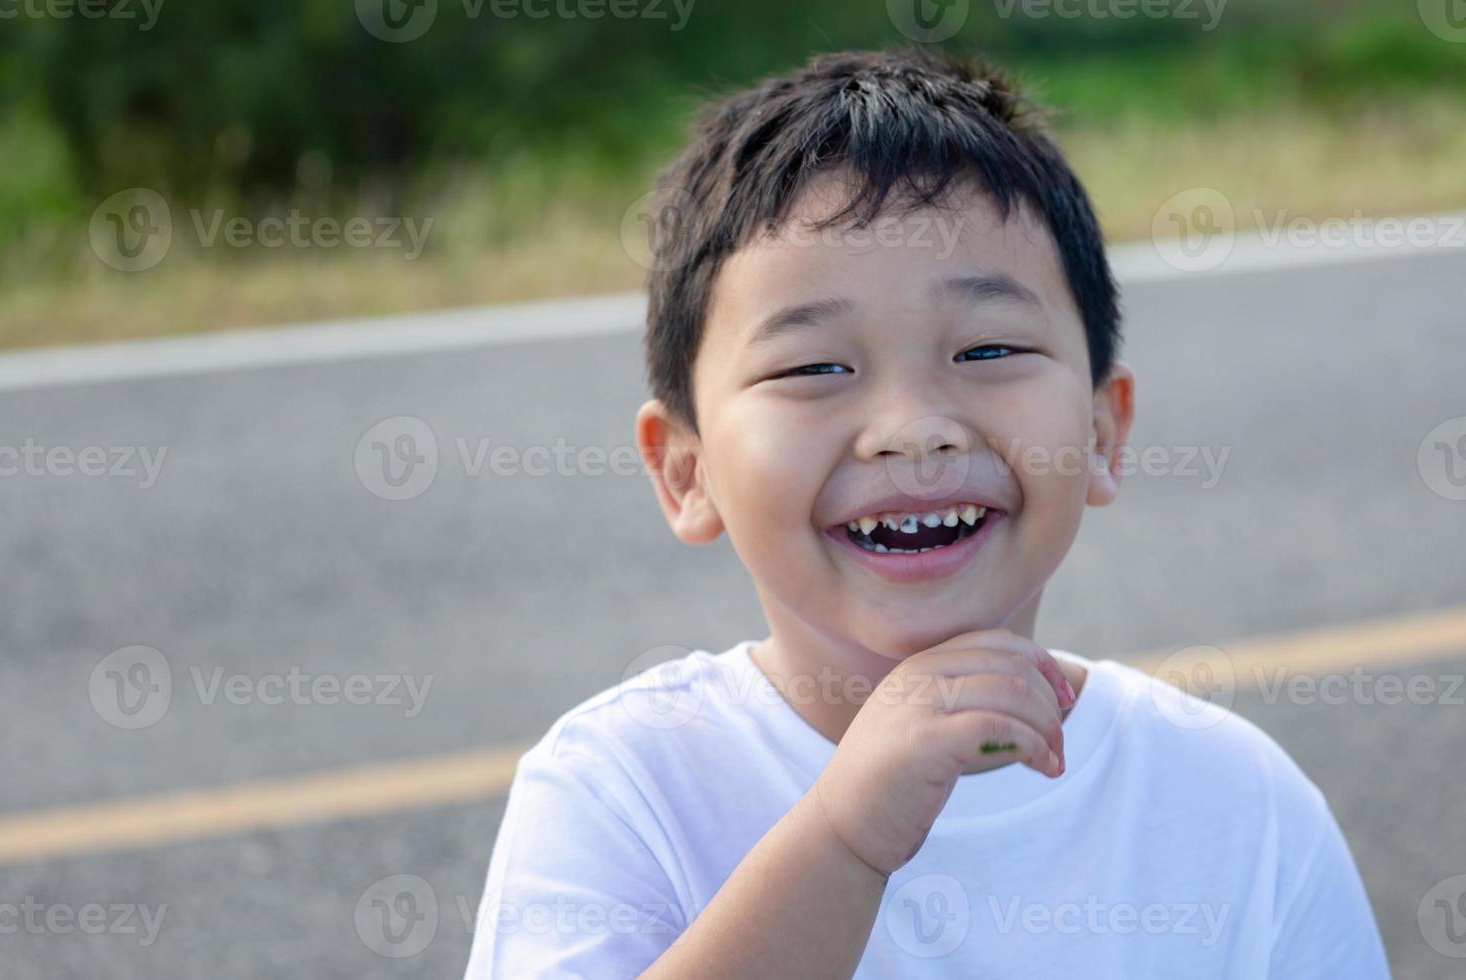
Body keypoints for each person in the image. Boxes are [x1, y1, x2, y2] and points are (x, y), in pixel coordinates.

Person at [463, 47, 1391, 978]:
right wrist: (846, 834)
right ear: (687, 472)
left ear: (1104, 430)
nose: (913, 431)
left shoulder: (1233, 798)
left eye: (988, 349)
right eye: (813, 367)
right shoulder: (623, 790)